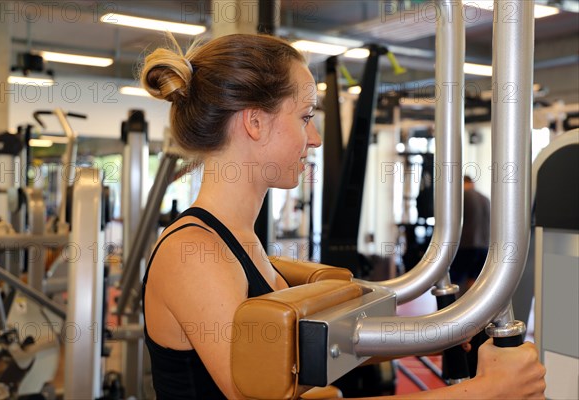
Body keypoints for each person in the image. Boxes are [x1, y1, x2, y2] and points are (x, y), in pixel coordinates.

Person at [140, 34, 545, 400]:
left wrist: (436, 334)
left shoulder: (238, 239)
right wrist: (490, 391)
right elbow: (261, 392)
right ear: (255, 121)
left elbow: (304, 355)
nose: (314, 138)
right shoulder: (193, 253)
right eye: (304, 116)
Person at [450, 175, 491, 294]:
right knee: (474, 281)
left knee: (456, 281)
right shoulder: (485, 199)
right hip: (484, 246)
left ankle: (453, 309)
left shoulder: (462, 197)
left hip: (466, 245)